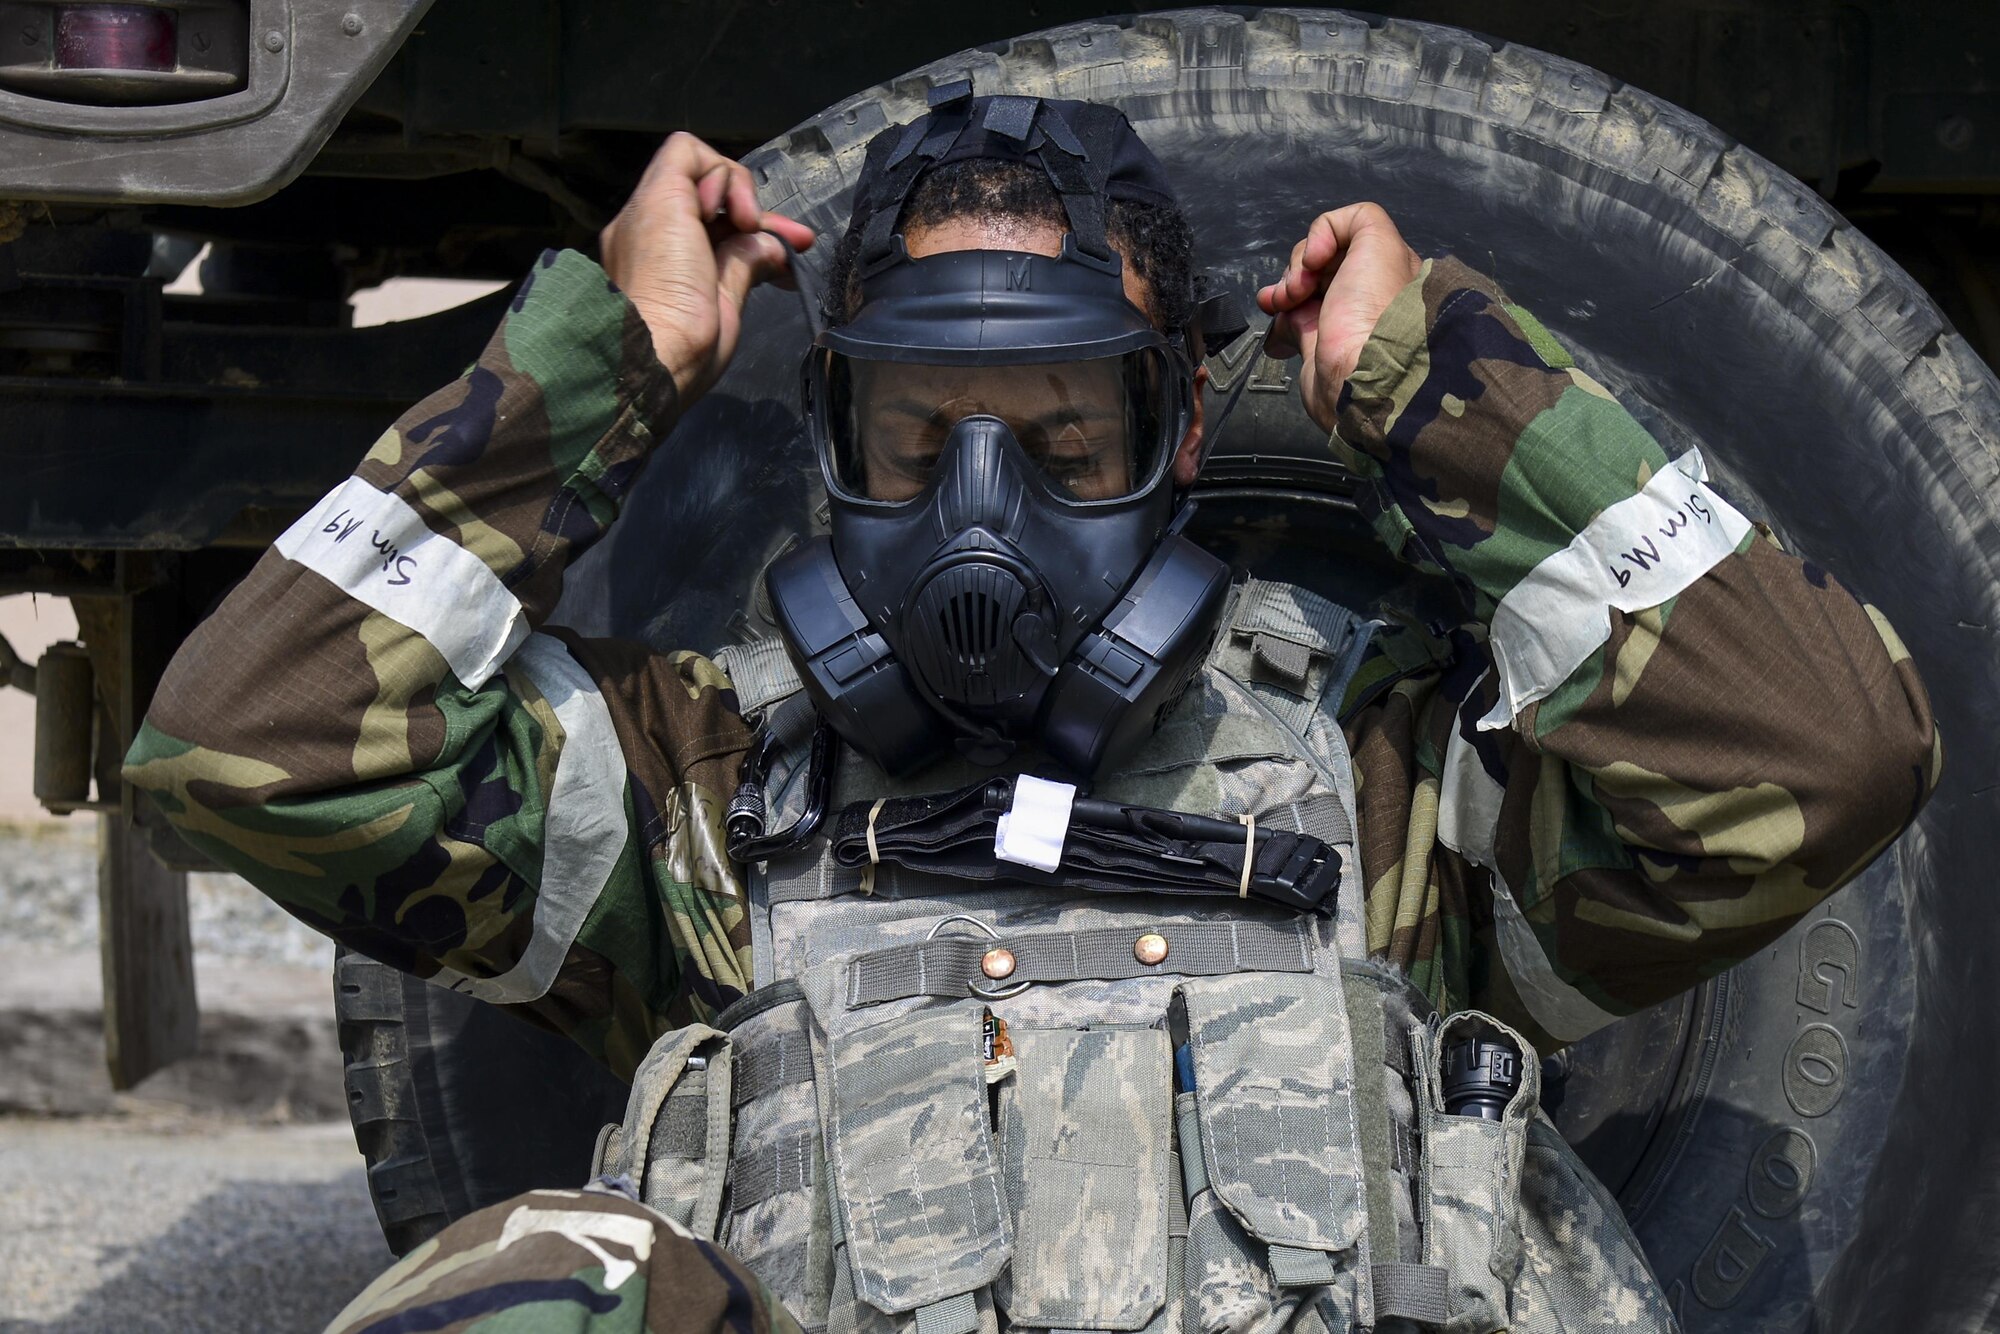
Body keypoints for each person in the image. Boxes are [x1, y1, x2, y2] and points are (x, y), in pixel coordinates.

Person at [125, 92, 1937, 1334]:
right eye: (920, 436)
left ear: (1183, 440)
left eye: (1066, 437)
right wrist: (608, 353)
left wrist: (1435, 384)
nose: (981, 512)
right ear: (833, 440)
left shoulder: (1378, 798)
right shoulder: (697, 795)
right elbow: (247, 743)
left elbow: (1818, 751)